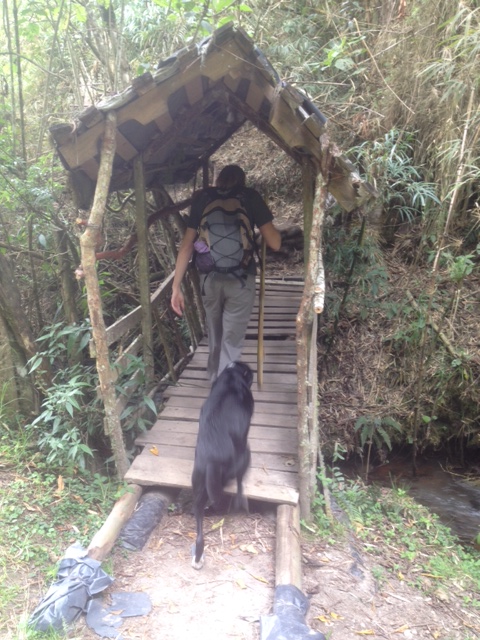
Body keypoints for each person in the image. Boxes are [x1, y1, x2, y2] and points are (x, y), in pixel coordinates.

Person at [171, 164, 281, 381]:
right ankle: (224, 387)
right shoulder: (250, 197)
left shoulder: (203, 198)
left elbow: (186, 245)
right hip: (242, 280)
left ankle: (214, 377)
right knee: (232, 339)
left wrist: (176, 287)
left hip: (209, 279)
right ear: (242, 180)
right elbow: (275, 243)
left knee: (215, 333)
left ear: (218, 180)